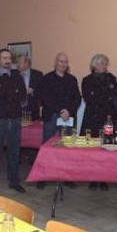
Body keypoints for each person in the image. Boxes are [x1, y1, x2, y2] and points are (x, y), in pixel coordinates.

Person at [0, 48, 27, 195]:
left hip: (14, 120)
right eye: (4, 58)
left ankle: (14, 182)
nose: (7, 61)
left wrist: (6, 91)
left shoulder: (17, 75)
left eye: (9, 58)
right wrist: (10, 92)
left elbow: (22, 95)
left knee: (14, 153)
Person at [37, 52, 81, 189]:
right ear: (55, 63)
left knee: (67, 147)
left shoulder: (72, 79)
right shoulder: (47, 78)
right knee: (47, 147)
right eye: (61, 61)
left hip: (68, 117)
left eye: (65, 62)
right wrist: (60, 111)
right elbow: (45, 97)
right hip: (52, 116)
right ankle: (42, 176)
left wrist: (68, 111)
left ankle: (65, 176)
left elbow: (77, 98)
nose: (63, 64)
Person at [80, 54, 117, 191]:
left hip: (108, 118)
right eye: (102, 63)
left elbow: (115, 93)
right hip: (92, 118)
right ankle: (92, 178)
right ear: (95, 65)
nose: (105, 66)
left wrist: (102, 95)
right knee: (93, 149)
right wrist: (105, 95)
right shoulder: (87, 80)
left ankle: (104, 178)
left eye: (106, 63)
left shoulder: (112, 78)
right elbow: (89, 98)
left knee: (107, 147)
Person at [17, 55, 44, 120]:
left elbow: (42, 92)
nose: (17, 65)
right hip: (17, 110)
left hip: (32, 110)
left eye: (20, 62)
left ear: (26, 63)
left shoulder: (38, 75)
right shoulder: (14, 74)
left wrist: (33, 92)